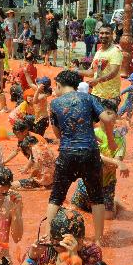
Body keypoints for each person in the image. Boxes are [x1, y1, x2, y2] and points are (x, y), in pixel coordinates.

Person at [47, 69, 116, 245]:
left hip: (67, 153)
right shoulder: (89, 98)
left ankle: (49, 237)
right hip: (90, 153)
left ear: (59, 85)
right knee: (97, 197)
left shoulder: (55, 104)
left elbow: (57, 134)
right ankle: (99, 240)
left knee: (56, 197)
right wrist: (110, 140)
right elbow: (106, 120)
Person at [70, 121, 128, 219]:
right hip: (86, 183)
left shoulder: (120, 138)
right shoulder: (93, 133)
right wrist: (115, 162)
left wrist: (111, 162)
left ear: (115, 118)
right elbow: (93, 157)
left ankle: (114, 203)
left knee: (108, 218)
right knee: (74, 210)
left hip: (106, 185)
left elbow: (111, 166)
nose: (106, 120)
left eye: (109, 114)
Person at [81, 25, 123, 115]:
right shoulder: (99, 51)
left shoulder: (115, 51)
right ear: (98, 35)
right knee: (94, 124)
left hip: (110, 96)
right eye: (101, 33)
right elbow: (92, 72)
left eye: (107, 33)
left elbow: (113, 73)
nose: (104, 35)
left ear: (112, 35)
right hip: (96, 94)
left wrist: (98, 80)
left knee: (107, 125)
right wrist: (76, 71)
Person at [8, 120, 55, 190]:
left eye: (17, 134)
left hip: (43, 179)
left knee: (11, 186)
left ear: (25, 131)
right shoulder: (37, 145)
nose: (16, 136)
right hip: (52, 177)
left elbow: (36, 165)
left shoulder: (36, 147)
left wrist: (30, 179)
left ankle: (41, 186)